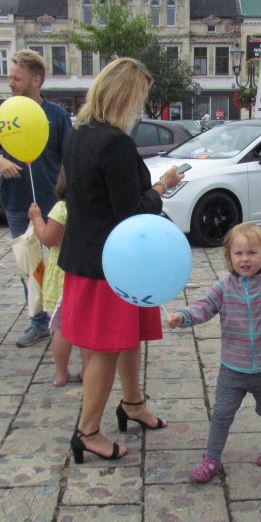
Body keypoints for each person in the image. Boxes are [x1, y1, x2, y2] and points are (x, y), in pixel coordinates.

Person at [58, 57, 184, 463]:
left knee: (126, 339)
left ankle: (132, 404)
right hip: (112, 264)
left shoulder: (79, 134)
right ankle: (88, 431)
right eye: (141, 97)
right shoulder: (114, 142)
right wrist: (162, 186)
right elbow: (130, 212)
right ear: (127, 96)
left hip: (89, 256)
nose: (142, 107)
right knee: (106, 349)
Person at [167, 223, 261, 482]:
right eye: (238, 253)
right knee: (221, 413)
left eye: (252, 252)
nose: (245, 259)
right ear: (228, 256)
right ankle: (212, 457)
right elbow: (204, 306)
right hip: (233, 368)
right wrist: (184, 316)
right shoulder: (224, 287)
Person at [0, 50, 73, 347]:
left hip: (54, 203)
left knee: (61, 263)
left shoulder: (57, 116)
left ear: (36, 79)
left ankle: (65, 318)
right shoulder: (4, 113)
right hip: (17, 201)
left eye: (16, 78)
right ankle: (39, 322)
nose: (11, 83)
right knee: (30, 264)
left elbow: (69, 159)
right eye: (10, 77)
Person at [27, 167, 86, 387]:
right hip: (83, 272)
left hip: (60, 274)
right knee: (84, 327)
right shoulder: (89, 207)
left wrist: (36, 218)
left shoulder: (62, 208)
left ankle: (61, 374)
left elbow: (49, 239)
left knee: (61, 327)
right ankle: (87, 372)